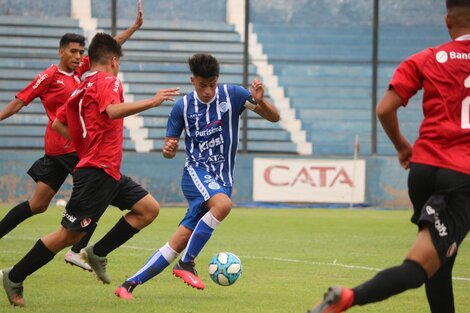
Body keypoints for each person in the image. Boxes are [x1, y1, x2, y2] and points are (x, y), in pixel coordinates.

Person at [306, 1, 470, 312]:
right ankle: (348, 298)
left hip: (423, 169)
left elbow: (385, 109)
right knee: (421, 265)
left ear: (448, 21)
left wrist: (402, 147)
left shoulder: (427, 58)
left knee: (441, 257)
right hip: (460, 175)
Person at [0, 32, 180, 307]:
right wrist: (152, 102)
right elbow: (111, 111)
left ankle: (97, 252)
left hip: (106, 170)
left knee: (148, 209)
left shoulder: (80, 86)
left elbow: (58, 124)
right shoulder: (108, 81)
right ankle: (14, 275)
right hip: (96, 171)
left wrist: (85, 144)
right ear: (114, 61)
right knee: (67, 236)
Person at [114, 53, 280, 299]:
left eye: (212, 84)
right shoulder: (182, 107)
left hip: (221, 181)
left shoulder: (232, 95)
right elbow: (169, 148)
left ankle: (128, 285)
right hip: (195, 174)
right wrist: (168, 149)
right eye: (203, 86)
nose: (208, 91)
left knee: (179, 241)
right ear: (193, 81)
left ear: (217, 80)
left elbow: (274, 117)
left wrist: (260, 102)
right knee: (223, 205)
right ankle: (187, 263)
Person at [0, 0, 145, 272]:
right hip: (66, 148)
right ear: (61, 52)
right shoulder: (49, 76)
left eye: (81, 52)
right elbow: (21, 100)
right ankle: (77, 250)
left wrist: (133, 28)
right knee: (100, 189)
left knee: (38, 204)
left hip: (71, 148)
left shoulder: (81, 73)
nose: (79, 57)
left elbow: (107, 49)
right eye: (73, 52)